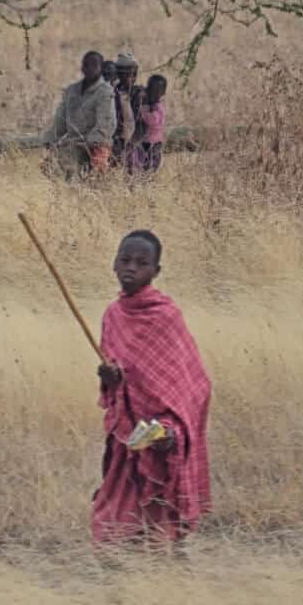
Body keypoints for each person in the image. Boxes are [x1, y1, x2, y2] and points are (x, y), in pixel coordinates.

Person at [92, 230, 212, 551]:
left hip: (162, 424)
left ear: (156, 272)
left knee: (161, 491)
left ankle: (164, 550)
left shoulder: (166, 316)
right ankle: (116, 548)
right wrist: (109, 376)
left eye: (142, 263)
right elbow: (114, 380)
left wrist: (174, 426)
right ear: (114, 265)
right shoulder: (113, 316)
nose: (132, 268)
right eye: (125, 260)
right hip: (129, 424)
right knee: (119, 493)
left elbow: (187, 381)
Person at [43, 50, 117, 178]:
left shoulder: (105, 91)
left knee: (92, 183)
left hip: (95, 146)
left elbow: (106, 123)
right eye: (86, 64)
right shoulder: (72, 90)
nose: (89, 68)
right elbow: (60, 120)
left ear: (101, 68)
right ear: (82, 67)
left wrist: (90, 142)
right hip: (72, 144)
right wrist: (51, 139)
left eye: (94, 65)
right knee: (54, 174)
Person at [108, 52, 142, 167]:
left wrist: (130, 142)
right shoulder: (112, 92)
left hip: (135, 139)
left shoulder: (139, 93)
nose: (130, 77)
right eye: (125, 73)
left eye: (133, 73)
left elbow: (141, 123)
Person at [129, 74, 167, 176]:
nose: (152, 93)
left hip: (153, 143)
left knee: (150, 165)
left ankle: (146, 179)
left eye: (156, 91)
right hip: (144, 141)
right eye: (150, 89)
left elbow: (152, 120)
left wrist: (143, 109)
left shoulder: (158, 108)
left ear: (162, 93)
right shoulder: (150, 105)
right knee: (139, 163)